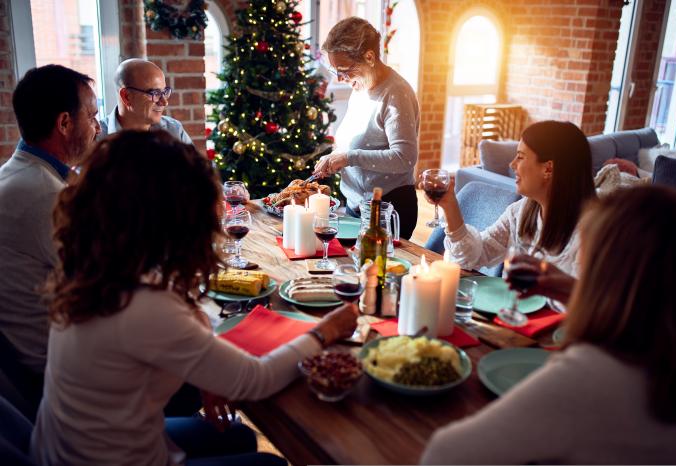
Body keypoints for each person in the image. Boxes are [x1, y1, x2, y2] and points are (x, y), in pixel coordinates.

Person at [31, 130, 358, 465]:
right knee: (270, 463)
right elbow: (255, 380)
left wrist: (204, 370)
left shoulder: (97, 266)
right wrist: (324, 332)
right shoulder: (142, 304)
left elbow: (178, 325)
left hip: (68, 448)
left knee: (239, 436)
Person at [422, 186, 676, 464]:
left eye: (587, 254)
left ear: (608, 270)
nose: (578, 260)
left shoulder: (593, 376)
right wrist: (571, 290)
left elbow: (443, 454)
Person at [0, 65, 100, 417]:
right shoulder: (43, 194)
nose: (97, 127)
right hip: (62, 381)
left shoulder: (18, 174)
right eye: (92, 115)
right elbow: (111, 283)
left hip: (42, 361)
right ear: (64, 123)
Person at [425, 120, 595, 277]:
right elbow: (474, 256)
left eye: (520, 157)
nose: (512, 164)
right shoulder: (519, 212)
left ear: (548, 169)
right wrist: (450, 206)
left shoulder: (591, 230)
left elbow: (588, 302)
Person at [313, 17, 420, 239]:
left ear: (369, 57)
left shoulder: (396, 93)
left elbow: (405, 157)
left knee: (376, 273)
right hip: (356, 206)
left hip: (387, 209)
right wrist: (334, 158)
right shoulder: (360, 87)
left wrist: (348, 158)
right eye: (336, 71)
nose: (341, 79)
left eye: (344, 69)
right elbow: (354, 142)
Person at [99, 58, 191, 143]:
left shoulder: (174, 130)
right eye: (155, 93)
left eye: (165, 92)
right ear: (127, 96)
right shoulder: (96, 139)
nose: (164, 102)